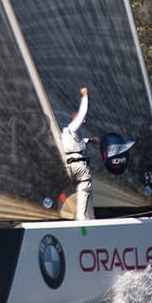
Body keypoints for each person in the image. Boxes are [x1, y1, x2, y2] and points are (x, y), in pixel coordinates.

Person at [61, 87, 96, 221]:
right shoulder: (74, 125)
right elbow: (82, 113)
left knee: (76, 189)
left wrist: (89, 140)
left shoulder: (65, 132)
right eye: (83, 120)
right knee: (85, 185)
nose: (84, 121)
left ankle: (77, 214)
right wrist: (85, 96)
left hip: (67, 165)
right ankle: (82, 218)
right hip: (78, 165)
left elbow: (75, 143)